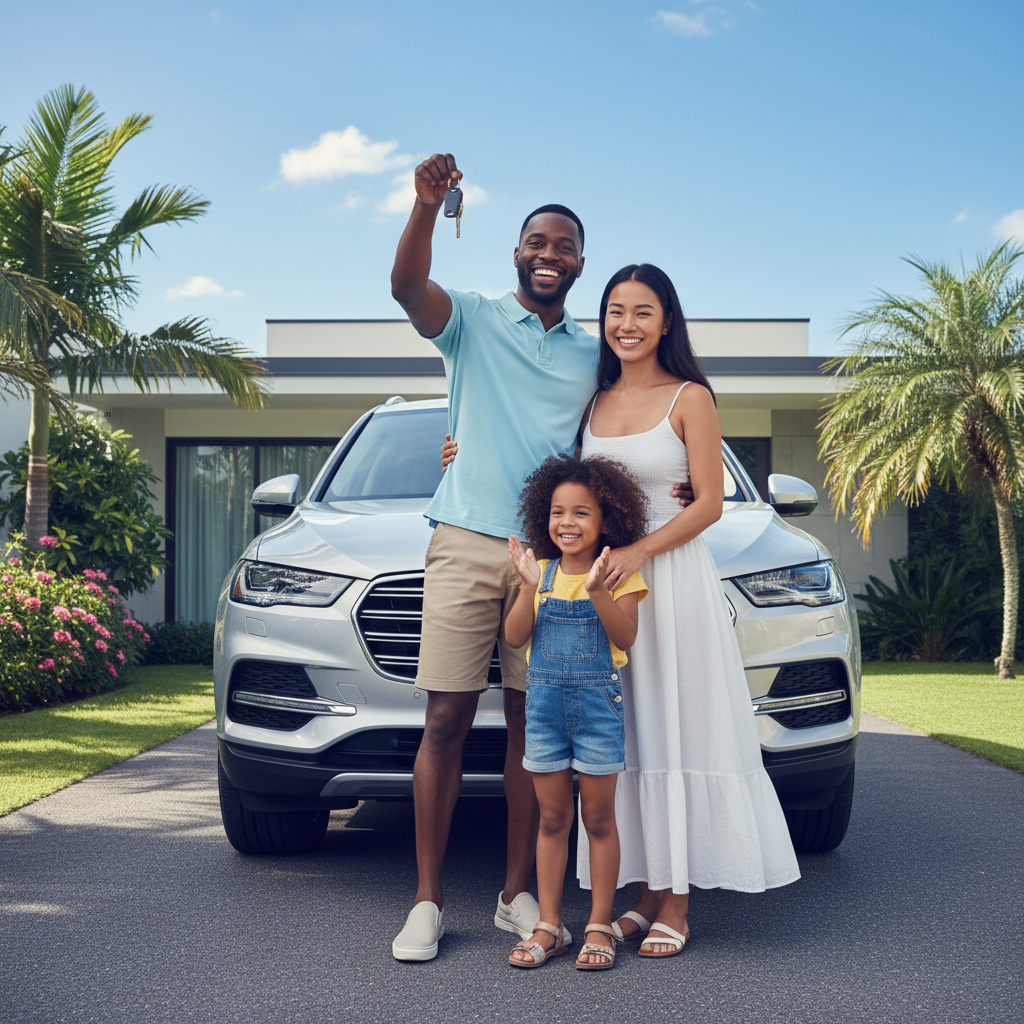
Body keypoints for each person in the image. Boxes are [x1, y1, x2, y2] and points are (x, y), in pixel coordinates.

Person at [444, 263, 800, 960]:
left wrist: (638, 552)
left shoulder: (691, 397)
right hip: (604, 594)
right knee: (628, 741)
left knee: (679, 730)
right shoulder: (596, 401)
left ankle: (678, 901)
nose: (626, 324)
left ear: (666, 321)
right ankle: (641, 893)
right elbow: (565, 478)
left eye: (642, 311)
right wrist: (456, 450)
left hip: (672, 581)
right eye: (615, 311)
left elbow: (707, 502)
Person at [504, 455, 648, 971]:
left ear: (606, 519)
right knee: (553, 818)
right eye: (557, 512)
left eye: (582, 513)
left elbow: (625, 635)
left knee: (599, 819)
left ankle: (597, 924)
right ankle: (549, 924)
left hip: (597, 711)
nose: (567, 522)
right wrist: (525, 587)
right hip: (543, 713)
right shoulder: (538, 573)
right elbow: (516, 637)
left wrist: (596, 592)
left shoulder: (618, 573)